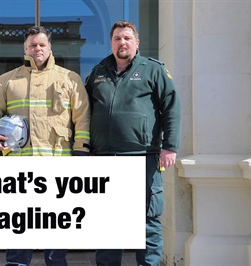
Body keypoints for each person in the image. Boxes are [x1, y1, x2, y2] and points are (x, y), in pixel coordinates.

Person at [0, 26, 91, 265]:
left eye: (42, 44)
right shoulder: (8, 80)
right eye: (32, 45)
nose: (37, 49)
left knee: (57, 227)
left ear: (50, 48)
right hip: (19, 168)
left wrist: (81, 151)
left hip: (58, 166)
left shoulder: (69, 79)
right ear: (25, 48)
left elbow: (82, 117)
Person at [85, 20, 182, 266]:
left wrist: (169, 146)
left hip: (143, 158)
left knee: (146, 223)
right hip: (105, 160)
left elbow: (171, 107)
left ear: (137, 42)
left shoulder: (153, 70)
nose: (122, 42)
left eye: (127, 38)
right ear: (111, 42)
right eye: (117, 38)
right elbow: (84, 112)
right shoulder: (98, 72)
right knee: (108, 223)